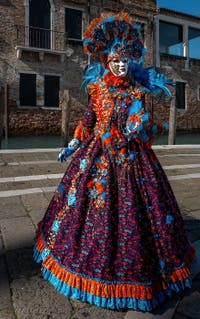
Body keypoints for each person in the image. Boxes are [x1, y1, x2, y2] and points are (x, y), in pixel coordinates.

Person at [34, 13, 195, 312]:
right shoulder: (98, 89)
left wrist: (140, 126)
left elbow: (145, 128)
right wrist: (72, 144)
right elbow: (89, 120)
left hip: (132, 157)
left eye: (124, 61)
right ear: (106, 61)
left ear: (130, 61)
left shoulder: (137, 90)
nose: (120, 65)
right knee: (82, 207)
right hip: (97, 156)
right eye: (115, 61)